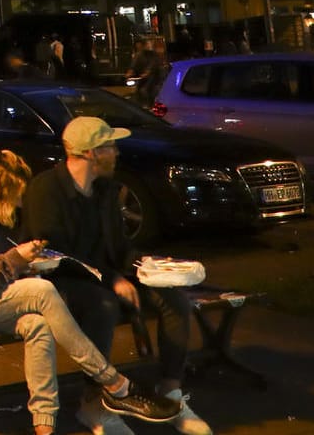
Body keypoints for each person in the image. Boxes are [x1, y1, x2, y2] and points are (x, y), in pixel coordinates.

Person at [0, 149, 179, 435]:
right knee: (40, 292)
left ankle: (44, 427)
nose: (20, 203)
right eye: (16, 195)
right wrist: (15, 259)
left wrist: (25, 266)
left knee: (37, 325)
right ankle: (114, 383)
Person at [25, 117, 213, 435]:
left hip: (108, 275)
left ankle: (170, 395)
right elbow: (51, 253)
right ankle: (94, 403)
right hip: (63, 280)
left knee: (174, 300)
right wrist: (110, 278)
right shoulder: (46, 189)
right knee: (103, 305)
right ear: (90, 153)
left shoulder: (105, 190)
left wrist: (148, 266)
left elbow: (119, 245)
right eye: (110, 146)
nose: (117, 153)